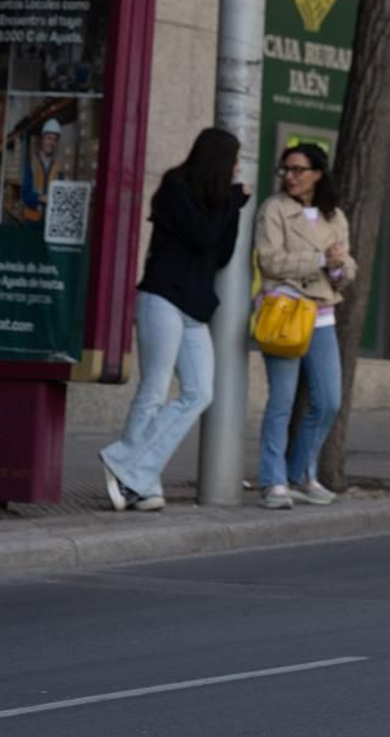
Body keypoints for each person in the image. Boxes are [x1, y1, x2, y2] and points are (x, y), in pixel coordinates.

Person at [100, 128, 248, 512]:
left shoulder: (220, 201)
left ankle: (128, 465)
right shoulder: (175, 187)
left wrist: (232, 208)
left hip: (195, 307)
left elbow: (221, 254)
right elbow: (203, 236)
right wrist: (232, 203)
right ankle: (141, 481)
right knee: (155, 388)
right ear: (218, 160)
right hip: (162, 297)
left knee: (200, 392)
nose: (237, 168)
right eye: (233, 160)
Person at [253, 143, 356, 510]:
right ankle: (273, 480)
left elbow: (347, 266)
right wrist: (319, 259)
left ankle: (301, 473)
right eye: (286, 169)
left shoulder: (334, 215)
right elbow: (270, 261)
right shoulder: (274, 209)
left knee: (329, 400)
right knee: (281, 401)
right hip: (286, 310)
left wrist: (339, 267)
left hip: (322, 313)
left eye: (298, 169)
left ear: (317, 173)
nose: (290, 176)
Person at [19, 117, 63, 228]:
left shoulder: (58, 168)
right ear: (42, 139)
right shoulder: (32, 164)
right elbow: (24, 194)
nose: (52, 143)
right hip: (32, 222)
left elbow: (61, 195)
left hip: (50, 222)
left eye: (55, 140)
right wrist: (40, 198)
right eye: (49, 138)